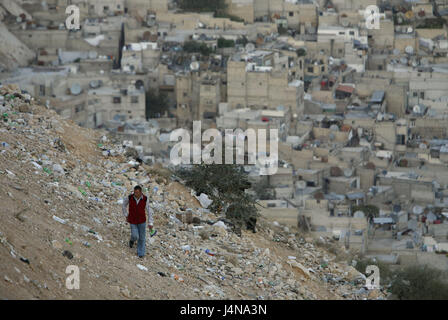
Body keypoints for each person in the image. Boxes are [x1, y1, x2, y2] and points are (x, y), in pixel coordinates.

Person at [122, 185, 155, 258]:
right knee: (135, 235)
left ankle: (141, 253)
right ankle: (132, 240)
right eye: (134, 192)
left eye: (137, 193)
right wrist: (126, 215)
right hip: (132, 220)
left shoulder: (145, 199)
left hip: (142, 220)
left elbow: (149, 210)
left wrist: (150, 222)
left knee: (142, 237)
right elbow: (124, 205)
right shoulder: (130, 197)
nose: (135, 194)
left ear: (140, 192)